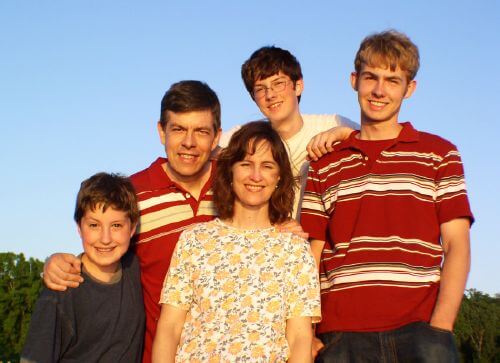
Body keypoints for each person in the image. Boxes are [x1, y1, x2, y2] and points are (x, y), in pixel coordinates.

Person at [301, 30, 474, 362]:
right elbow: (312, 254)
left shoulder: (440, 154)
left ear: (409, 88)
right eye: (371, 78)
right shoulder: (324, 163)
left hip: (422, 332)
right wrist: (307, 333)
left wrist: (441, 326)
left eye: (392, 81)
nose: (379, 91)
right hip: (341, 336)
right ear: (354, 80)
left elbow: (457, 244)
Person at [152, 121, 321, 362]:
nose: (255, 176)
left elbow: (299, 339)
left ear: (279, 177)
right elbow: (170, 328)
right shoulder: (194, 241)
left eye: (267, 166)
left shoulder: (295, 251)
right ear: (230, 171)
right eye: (246, 164)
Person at [221, 46, 358, 219]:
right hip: (273, 240)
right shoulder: (242, 139)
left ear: (298, 86)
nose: (270, 95)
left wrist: (343, 133)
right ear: (253, 97)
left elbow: (372, 142)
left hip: (321, 239)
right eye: (260, 89)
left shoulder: (333, 124)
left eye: (278, 84)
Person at [21, 172, 144, 362]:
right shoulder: (61, 290)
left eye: (117, 226)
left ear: (133, 227)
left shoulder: (135, 269)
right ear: (79, 227)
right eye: (94, 225)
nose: (105, 239)